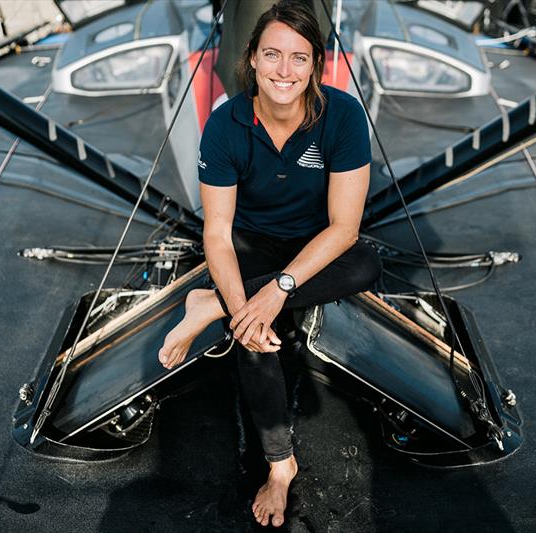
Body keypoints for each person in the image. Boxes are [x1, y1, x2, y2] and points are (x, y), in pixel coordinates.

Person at [158, 0, 382, 527]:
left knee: (364, 264)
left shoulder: (343, 117)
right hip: (251, 241)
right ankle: (280, 467)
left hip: (316, 243)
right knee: (254, 343)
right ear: (252, 60)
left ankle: (207, 303)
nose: (285, 71)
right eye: (273, 55)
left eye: (299, 58)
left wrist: (276, 289)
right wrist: (245, 308)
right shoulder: (227, 124)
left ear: (316, 65)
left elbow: (344, 229)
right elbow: (215, 232)